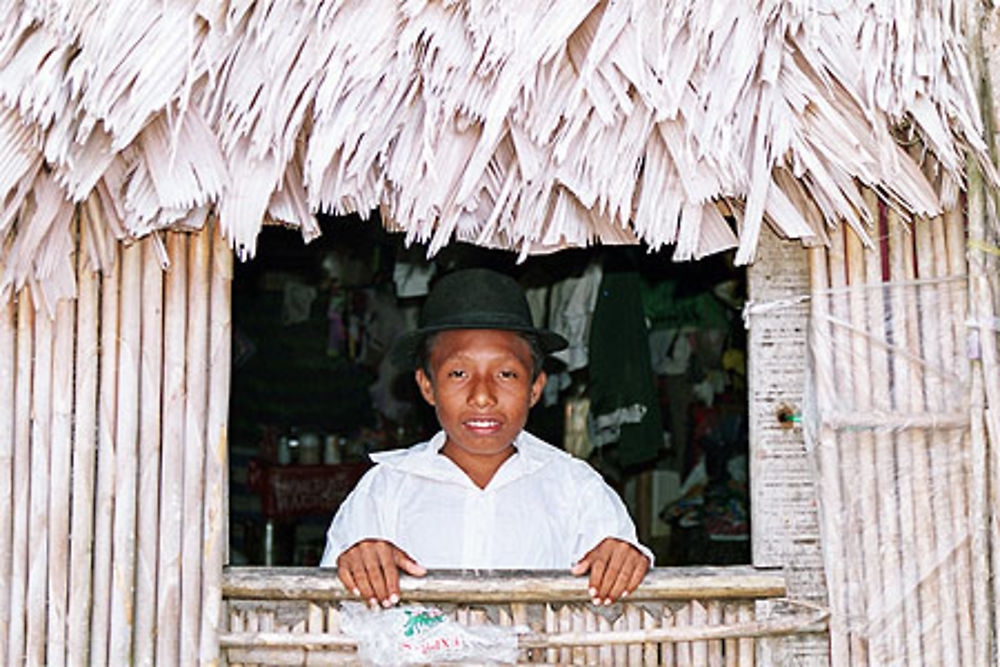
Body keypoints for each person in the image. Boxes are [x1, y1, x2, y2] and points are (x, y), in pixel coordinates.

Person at [320, 268, 652, 608]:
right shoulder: (385, 489)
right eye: (458, 373)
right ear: (427, 386)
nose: (482, 396)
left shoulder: (576, 488)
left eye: (506, 374)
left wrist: (622, 560)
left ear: (535, 388)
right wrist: (357, 563)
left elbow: (621, 593)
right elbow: (329, 606)